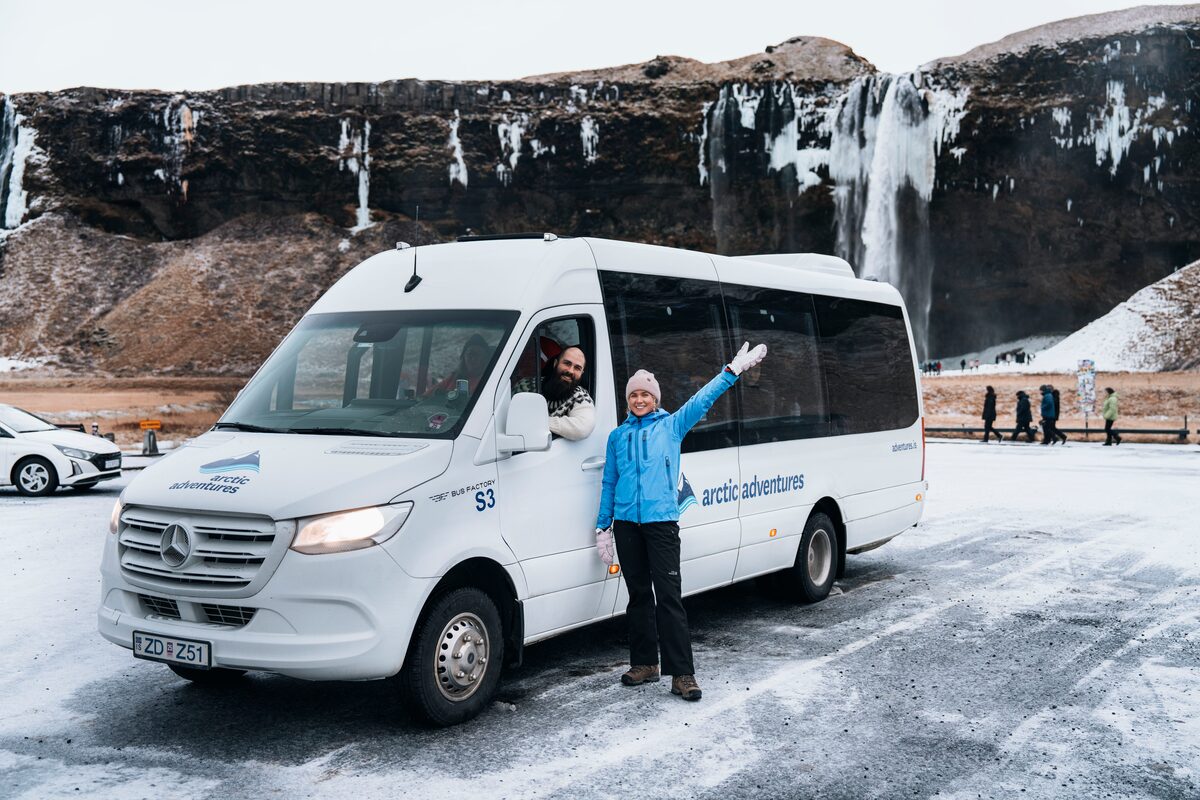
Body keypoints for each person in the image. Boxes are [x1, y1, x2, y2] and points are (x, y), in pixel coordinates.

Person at [594, 341, 768, 703]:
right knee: (638, 596)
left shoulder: (671, 427)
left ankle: (682, 674)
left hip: (661, 525)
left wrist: (730, 373)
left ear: (655, 399)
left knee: (669, 597)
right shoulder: (617, 437)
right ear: (627, 400)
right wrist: (602, 526)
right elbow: (609, 481)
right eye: (634, 395)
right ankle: (645, 664)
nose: (639, 400)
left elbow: (701, 400)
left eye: (646, 395)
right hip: (627, 525)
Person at [540, 345, 595, 440]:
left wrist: (538, 422)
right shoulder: (527, 384)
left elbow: (582, 428)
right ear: (555, 363)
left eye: (577, 368)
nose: (570, 371)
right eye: (567, 363)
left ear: (582, 373)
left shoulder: (580, 397)